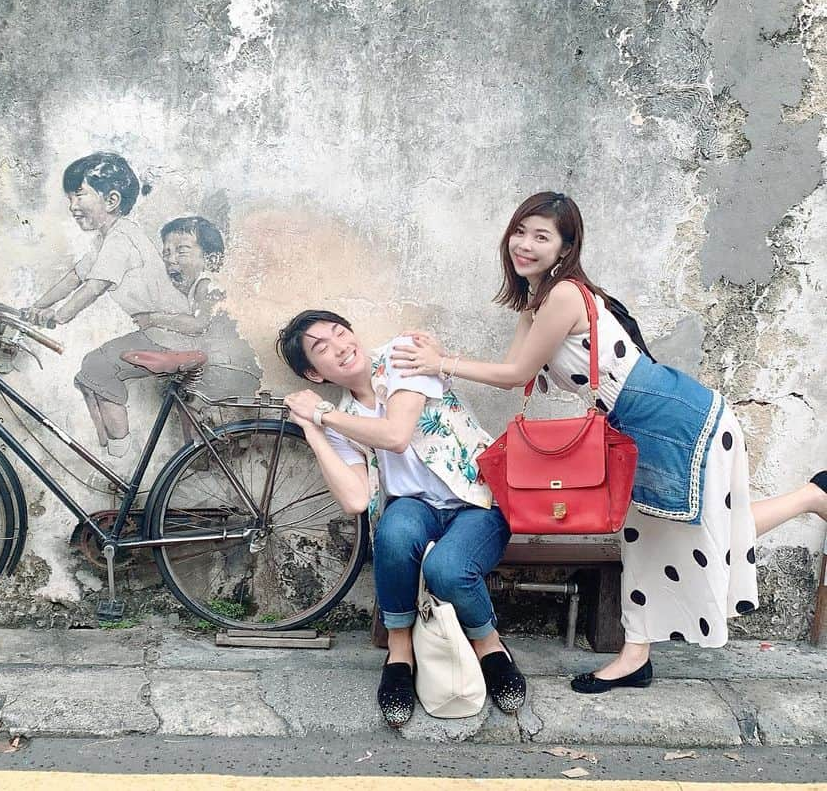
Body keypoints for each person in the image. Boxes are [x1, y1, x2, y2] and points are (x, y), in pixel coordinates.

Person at [390, 191, 827, 694]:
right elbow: (514, 375)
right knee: (646, 541)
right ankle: (635, 655)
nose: (525, 245)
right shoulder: (537, 304)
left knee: (698, 532)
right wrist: (446, 357)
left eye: (542, 236)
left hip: (676, 419)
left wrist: (441, 364)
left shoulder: (564, 295)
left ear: (565, 247)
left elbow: (515, 372)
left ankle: (811, 497)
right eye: (520, 231)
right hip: (638, 423)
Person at [277, 311, 527, 728]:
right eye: (322, 348)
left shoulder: (400, 356)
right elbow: (356, 499)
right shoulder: (340, 417)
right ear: (313, 373)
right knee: (393, 530)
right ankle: (400, 652)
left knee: (447, 569)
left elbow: (396, 434)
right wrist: (315, 433)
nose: (339, 346)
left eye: (341, 332)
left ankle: (489, 645)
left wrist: (322, 415)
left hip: (477, 501)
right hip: (416, 508)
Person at [25, 152, 191, 455]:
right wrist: (33, 307)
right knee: (89, 374)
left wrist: (58, 317)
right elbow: (74, 278)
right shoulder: (106, 240)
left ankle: (121, 459)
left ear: (111, 200)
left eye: (79, 195)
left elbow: (94, 287)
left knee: (98, 368)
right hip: (155, 332)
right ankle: (111, 452)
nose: (73, 206)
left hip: (171, 333)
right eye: (69, 198)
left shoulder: (122, 239)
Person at [133, 216, 261, 401]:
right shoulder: (191, 290)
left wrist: (153, 318)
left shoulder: (207, 284)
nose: (171, 259)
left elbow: (198, 324)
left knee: (194, 406)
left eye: (181, 251)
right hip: (213, 365)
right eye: (166, 253)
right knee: (187, 406)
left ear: (211, 259)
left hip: (225, 367)